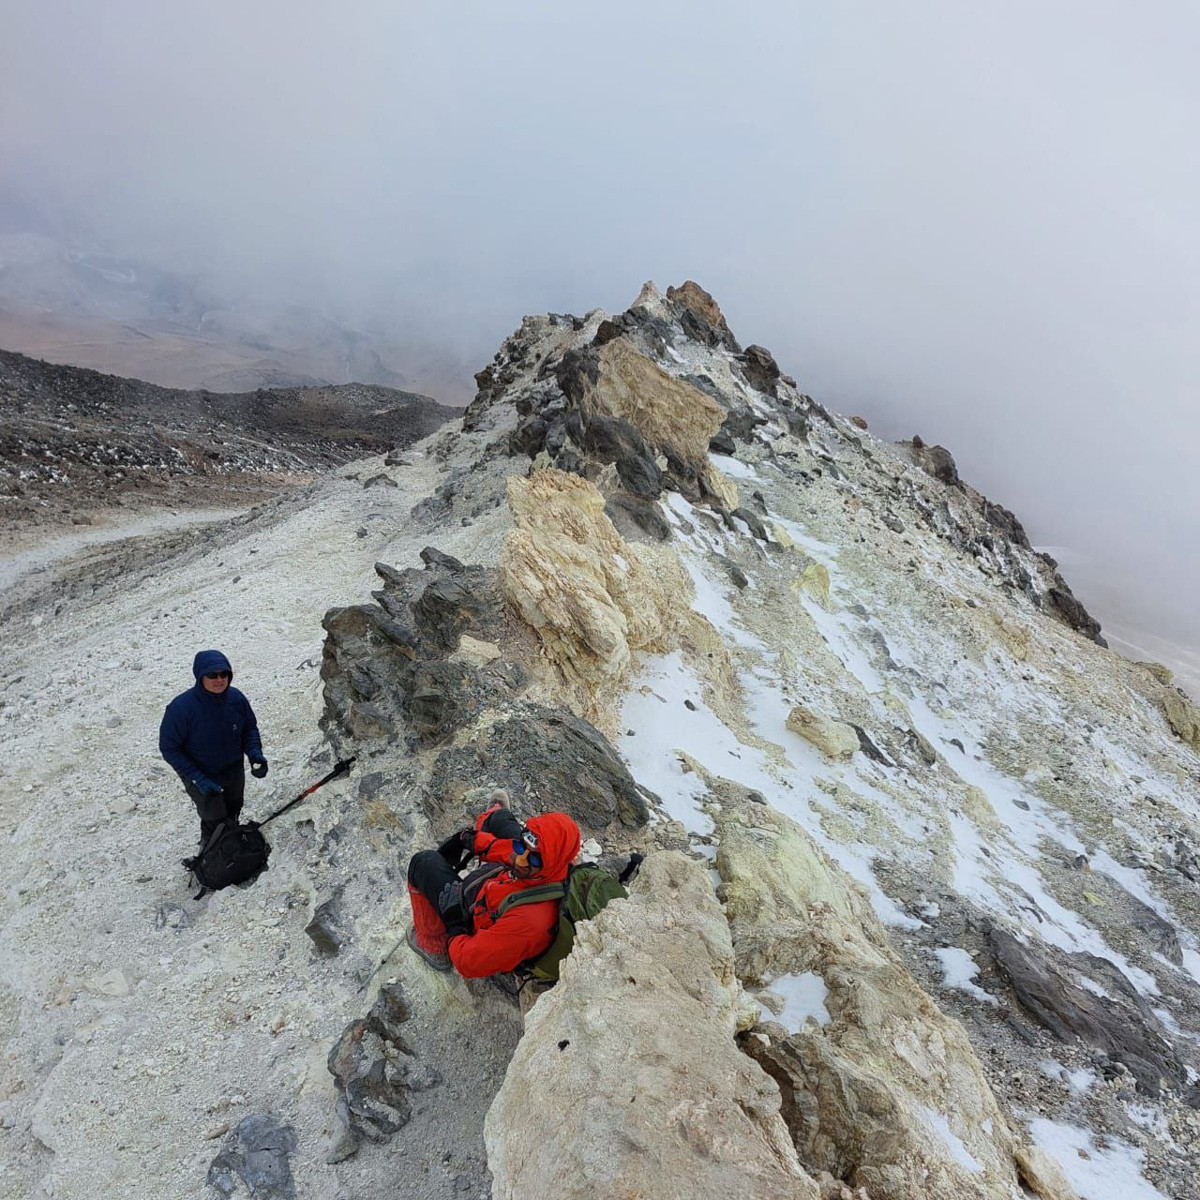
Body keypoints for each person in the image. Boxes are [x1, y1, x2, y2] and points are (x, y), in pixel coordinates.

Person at [406, 801, 581, 978]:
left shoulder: (529, 923)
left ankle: (434, 946)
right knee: (498, 818)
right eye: (521, 846)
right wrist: (469, 840)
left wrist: (454, 924)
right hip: (502, 882)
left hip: (476, 915)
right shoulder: (552, 864)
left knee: (423, 863)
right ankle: (491, 816)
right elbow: (511, 850)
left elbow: (467, 962)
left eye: (534, 859)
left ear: (549, 863)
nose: (520, 860)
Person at [159, 650, 268, 845]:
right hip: (202, 774)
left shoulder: (236, 699)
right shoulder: (181, 709)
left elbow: (249, 729)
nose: (219, 680)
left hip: (233, 770)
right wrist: (197, 778)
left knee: (233, 810)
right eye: (212, 675)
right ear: (200, 676)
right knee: (214, 820)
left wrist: (254, 753)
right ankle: (210, 863)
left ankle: (234, 851)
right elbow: (169, 748)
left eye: (223, 674)